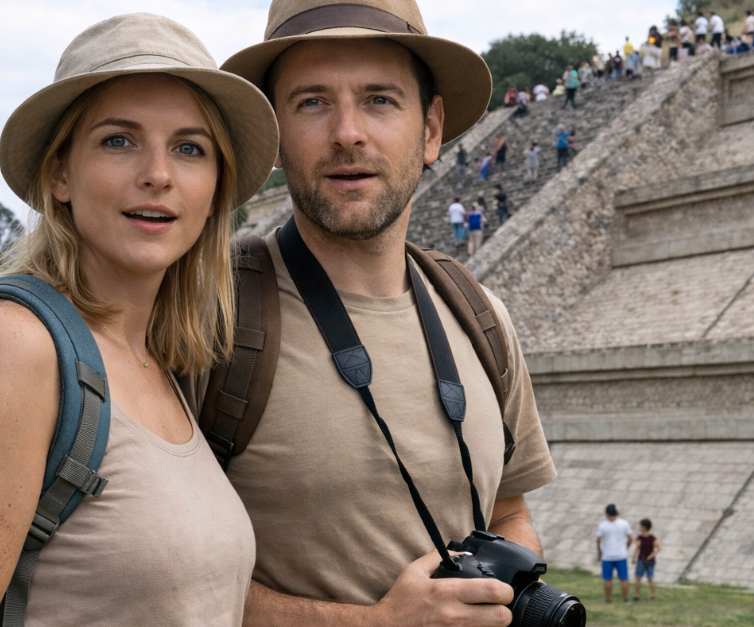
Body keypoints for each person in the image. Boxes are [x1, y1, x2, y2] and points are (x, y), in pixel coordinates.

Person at [213, 0, 559, 624]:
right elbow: (143, 574)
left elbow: (509, 513)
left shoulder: (482, 319)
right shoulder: (207, 316)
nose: (348, 132)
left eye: (379, 99)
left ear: (430, 132)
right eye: (312, 102)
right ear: (272, 137)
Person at [0, 13, 278, 626]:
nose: (158, 173)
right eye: (118, 140)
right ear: (60, 174)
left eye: (189, 148)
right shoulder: (11, 345)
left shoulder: (160, 363)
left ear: (213, 193)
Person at [596, 504, 633, 604]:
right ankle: (626, 599)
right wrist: (626, 547)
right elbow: (630, 538)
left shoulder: (602, 525)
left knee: (607, 579)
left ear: (607, 514)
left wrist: (600, 552)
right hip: (621, 555)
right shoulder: (624, 523)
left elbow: (598, 540)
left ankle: (608, 599)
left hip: (607, 556)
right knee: (624, 578)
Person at [632, 518, 661, 601]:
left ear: (645, 527)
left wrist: (651, 555)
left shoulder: (641, 538)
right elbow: (658, 548)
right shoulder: (652, 537)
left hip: (643, 560)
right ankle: (651, 596)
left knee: (641, 578)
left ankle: (638, 595)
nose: (639, 527)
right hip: (647, 560)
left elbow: (637, 548)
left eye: (641, 526)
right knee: (648, 578)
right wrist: (652, 555)